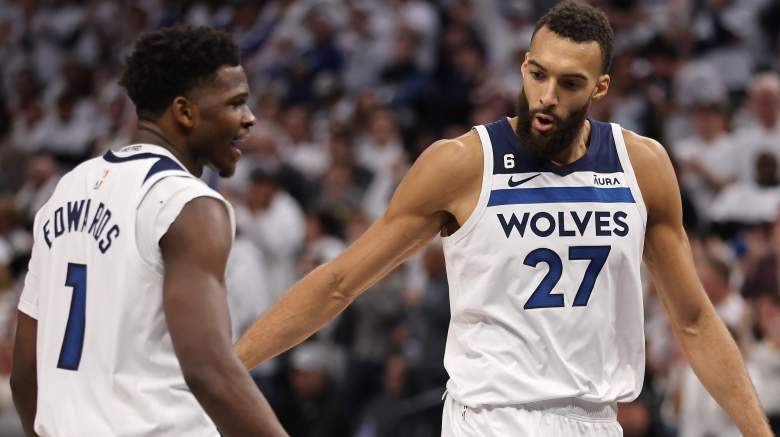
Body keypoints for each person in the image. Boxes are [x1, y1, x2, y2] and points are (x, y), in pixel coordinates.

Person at [235, 2, 772, 436]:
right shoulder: (463, 163)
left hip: (595, 420)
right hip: (491, 418)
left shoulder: (643, 166)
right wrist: (227, 370)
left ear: (600, 88)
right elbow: (338, 282)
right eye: (537, 74)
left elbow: (695, 320)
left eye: (569, 84)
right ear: (523, 63)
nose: (546, 96)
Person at [9, 25, 287, 437]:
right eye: (236, 103)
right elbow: (209, 370)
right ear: (185, 112)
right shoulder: (189, 204)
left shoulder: (65, 190)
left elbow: (25, 374)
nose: (249, 119)